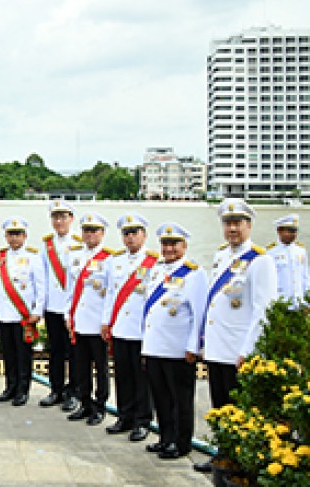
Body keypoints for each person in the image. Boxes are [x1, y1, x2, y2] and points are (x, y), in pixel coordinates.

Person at [193, 198, 276, 474]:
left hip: (238, 350)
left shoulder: (260, 260)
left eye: (237, 223)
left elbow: (263, 310)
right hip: (217, 348)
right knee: (220, 406)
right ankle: (223, 455)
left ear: (249, 225)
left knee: (240, 410)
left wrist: (249, 350)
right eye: (228, 224)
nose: (232, 229)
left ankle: (241, 463)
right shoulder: (221, 257)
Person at [142, 222, 208, 460]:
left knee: (181, 399)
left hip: (179, 348)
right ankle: (165, 437)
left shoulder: (194, 273)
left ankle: (181, 443)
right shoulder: (157, 270)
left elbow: (199, 313)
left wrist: (194, 346)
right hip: (156, 346)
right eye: (165, 244)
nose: (169, 249)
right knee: (161, 396)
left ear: (184, 245)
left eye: (174, 244)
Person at [101, 213, 156, 442]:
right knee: (123, 375)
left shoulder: (154, 262)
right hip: (121, 327)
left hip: (141, 329)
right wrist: (106, 322)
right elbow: (110, 294)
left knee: (142, 378)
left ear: (144, 235)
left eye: (135, 233)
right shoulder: (115, 261)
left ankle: (142, 421)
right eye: (126, 233)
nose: (130, 237)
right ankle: (124, 416)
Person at [65, 213, 114, 426]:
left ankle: (100, 406)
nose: (90, 234)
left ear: (102, 233)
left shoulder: (110, 258)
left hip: (97, 322)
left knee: (100, 368)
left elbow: (111, 293)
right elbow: (69, 289)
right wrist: (68, 315)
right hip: (79, 320)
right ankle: (85, 403)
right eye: (86, 230)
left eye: (94, 230)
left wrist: (106, 322)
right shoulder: (74, 255)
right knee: (81, 366)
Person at [0, 216, 45, 406]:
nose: (14, 239)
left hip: (24, 315)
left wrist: (37, 311)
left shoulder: (33, 257)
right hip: (5, 314)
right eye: (11, 235)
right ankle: (10, 386)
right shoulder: (0, 257)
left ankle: (23, 390)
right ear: (5, 236)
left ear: (25, 236)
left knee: (23, 354)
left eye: (18, 234)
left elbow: (40, 287)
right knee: (9, 353)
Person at [40, 200, 81, 412]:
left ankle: (74, 392)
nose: (59, 221)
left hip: (73, 308)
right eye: (55, 217)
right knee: (55, 350)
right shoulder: (46, 245)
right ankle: (55, 389)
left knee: (74, 352)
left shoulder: (80, 244)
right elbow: (42, 278)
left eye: (63, 217)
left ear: (71, 219)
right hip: (52, 306)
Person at [266, 214, 309, 307]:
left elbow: (305, 277)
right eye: (290, 231)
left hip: (300, 304)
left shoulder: (300, 250)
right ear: (279, 231)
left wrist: (307, 300)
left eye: (295, 231)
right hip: (280, 304)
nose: (294, 234)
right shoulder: (270, 252)